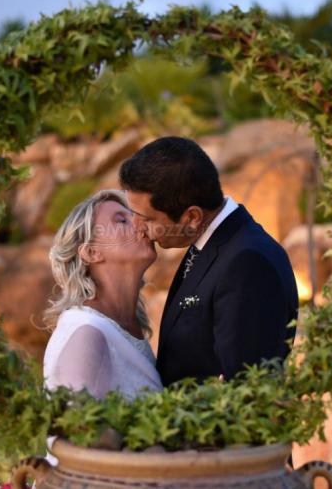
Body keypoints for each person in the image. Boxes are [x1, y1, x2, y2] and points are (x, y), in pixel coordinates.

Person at [119, 136, 299, 387]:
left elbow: (247, 388)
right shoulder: (213, 246)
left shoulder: (248, 263)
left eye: (147, 219)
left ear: (192, 216)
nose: (138, 227)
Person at [42, 187, 163, 406]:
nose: (140, 224)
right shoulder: (86, 330)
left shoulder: (127, 328)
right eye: (122, 221)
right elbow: (74, 425)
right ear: (91, 253)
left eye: (135, 216)